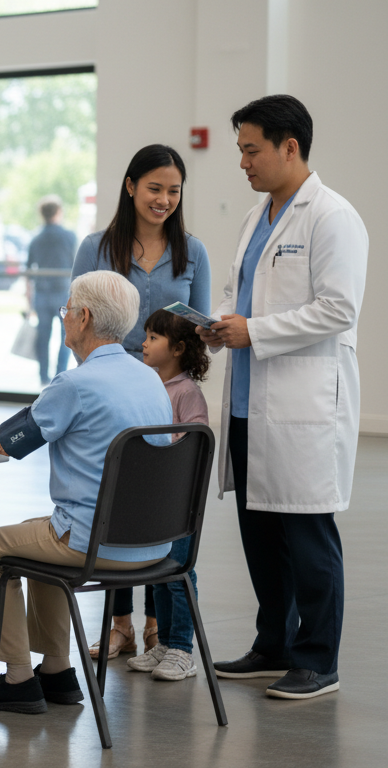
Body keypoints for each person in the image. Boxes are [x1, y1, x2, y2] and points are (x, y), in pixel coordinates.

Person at [0, 271, 173, 714]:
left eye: (66, 311)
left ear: (84, 317)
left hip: (94, 541)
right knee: (34, 535)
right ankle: (57, 671)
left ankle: (18, 678)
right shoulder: (149, 378)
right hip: (154, 543)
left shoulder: (75, 384)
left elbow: (6, 441)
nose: (63, 319)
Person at [201, 95, 366, 700]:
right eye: (241, 150)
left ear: (288, 146)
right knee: (260, 535)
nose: (242, 162)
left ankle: (318, 659)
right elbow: (235, 291)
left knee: (307, 537)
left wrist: (256, 331)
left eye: (251, 150)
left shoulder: (332, 216)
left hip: (303, 408)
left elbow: (339, 307)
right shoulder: (257, 216)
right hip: (248, 404)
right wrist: (220, 324)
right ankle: (274, 643)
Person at [71, 144, 211, 660]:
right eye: (154, 188)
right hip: (111, 393)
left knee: (160, 506)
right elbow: (79, 322)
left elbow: (202, 328)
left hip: (168, 395)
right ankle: (120, 625)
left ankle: (158, 627)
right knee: (115, 509)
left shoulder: (192, 251)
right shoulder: (95, 248)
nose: (164, 199)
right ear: (130, 186)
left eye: (174, 191)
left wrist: (210, 331)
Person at [126, 309, 210, 681]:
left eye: (153, 338)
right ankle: (162, 644)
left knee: (178, 573)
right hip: (152, 500)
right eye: (145, 335)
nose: (144, 343)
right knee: (155, 573)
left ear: (177, 348)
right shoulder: (148, 386)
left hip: (179, 502)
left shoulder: (187, 392)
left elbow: (194, 444)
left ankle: (182, 649)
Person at [25, 195, 76, 385]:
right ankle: (59, 376)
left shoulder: (36, 239)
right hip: (64, 294)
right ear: (58, 212)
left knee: (43, 337)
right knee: (66, 337)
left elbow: (29, 270)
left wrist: (28, 299)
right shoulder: (69, 237)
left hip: (43, 294)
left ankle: (43, 377)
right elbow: (76, 266)